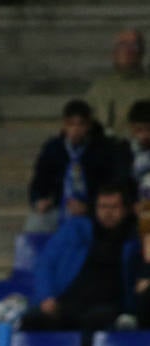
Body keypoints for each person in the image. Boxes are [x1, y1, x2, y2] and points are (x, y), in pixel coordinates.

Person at [23, 185, 142, 333]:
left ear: (125, 209)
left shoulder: (136, 237)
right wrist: (46, 296)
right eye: (103, 207)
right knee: (32, 319)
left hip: (109, 306)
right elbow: (46, 264)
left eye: (114, 207)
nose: (108, 212)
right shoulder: (76, 229)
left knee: (94, 320)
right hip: (68, 301)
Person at [25, 99, 130, 235]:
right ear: (64, 125)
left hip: (94, 209)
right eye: (71, 124)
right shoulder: (53, 148)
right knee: (36, 224)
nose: (75, 129)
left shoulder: (104, 149)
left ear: (89, 126)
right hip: (60, 206)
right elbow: (39, 180)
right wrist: (38, 200)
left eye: (80, 124)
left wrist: (90, 207)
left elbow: (113, 184)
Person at [83, 28, 150, 135]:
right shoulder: (100, 89)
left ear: (142, 52)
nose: (127, 50)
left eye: (133, 45)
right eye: (122, 45)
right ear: (114, 52)